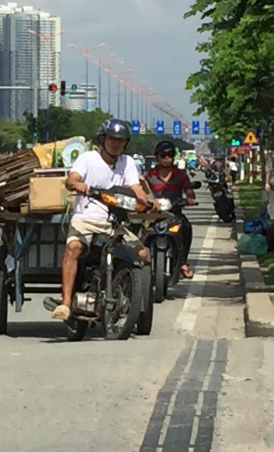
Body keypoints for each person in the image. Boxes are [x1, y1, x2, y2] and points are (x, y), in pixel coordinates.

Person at [53, 119, 159, 322]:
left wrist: (147, 200)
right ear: (102, 139)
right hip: (85, 219)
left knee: (143, 253)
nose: (116, 143)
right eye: (112, 139)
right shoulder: (87, 159)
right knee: (73, 248)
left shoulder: (126, 162)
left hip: (114, 222)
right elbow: (71, 179)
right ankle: (65, 302)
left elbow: (135, 187)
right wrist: (77, 184)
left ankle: (128, 294)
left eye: (120, 140)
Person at [145, 140, 197, 279]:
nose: (167, 158)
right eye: (163, 155)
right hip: (153, 215)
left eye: (170, 155)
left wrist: (190, 198)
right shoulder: (149, 175)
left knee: (186, 228)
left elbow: (188, 189)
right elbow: (141, 190)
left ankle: (183, 262)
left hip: (174, 214)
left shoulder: (180, 174)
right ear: (157, 156)